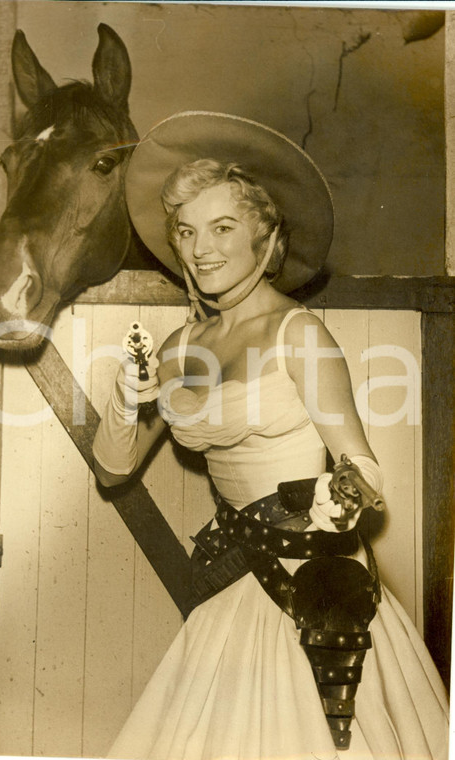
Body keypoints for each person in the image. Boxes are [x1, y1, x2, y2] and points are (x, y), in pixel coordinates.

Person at [92, 112, 449, 760]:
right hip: (233, 584)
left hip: (317, 592)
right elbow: (114, 470)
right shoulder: (177, 349)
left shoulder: (299, 334)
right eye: (186, 230)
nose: (201, 248)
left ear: (267, 235)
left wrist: (333, 499)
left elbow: (364, 474)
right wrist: (123, 397)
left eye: (223, 227)